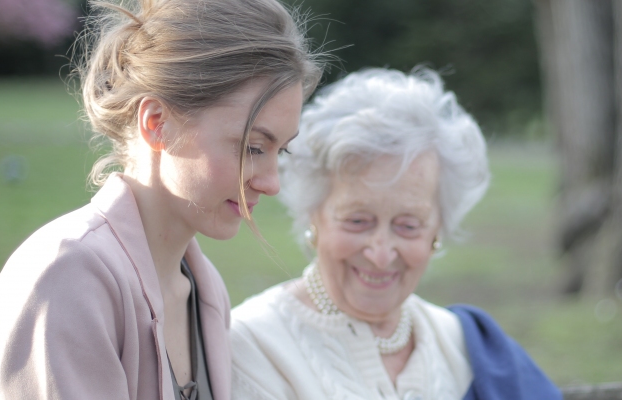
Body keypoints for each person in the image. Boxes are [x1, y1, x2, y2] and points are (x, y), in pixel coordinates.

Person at [0, 0, 322, 398]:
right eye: (254, 147)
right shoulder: (67, 279)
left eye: (281, 150)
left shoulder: (206, 291)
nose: (272, 183)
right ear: (157, 123)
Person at [228, 68, 562, 400]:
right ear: (314, 215)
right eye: (358, 221)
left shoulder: (471, 347)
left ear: (437, 231)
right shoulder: (252, 345)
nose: (381, 253)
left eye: (408, 225)